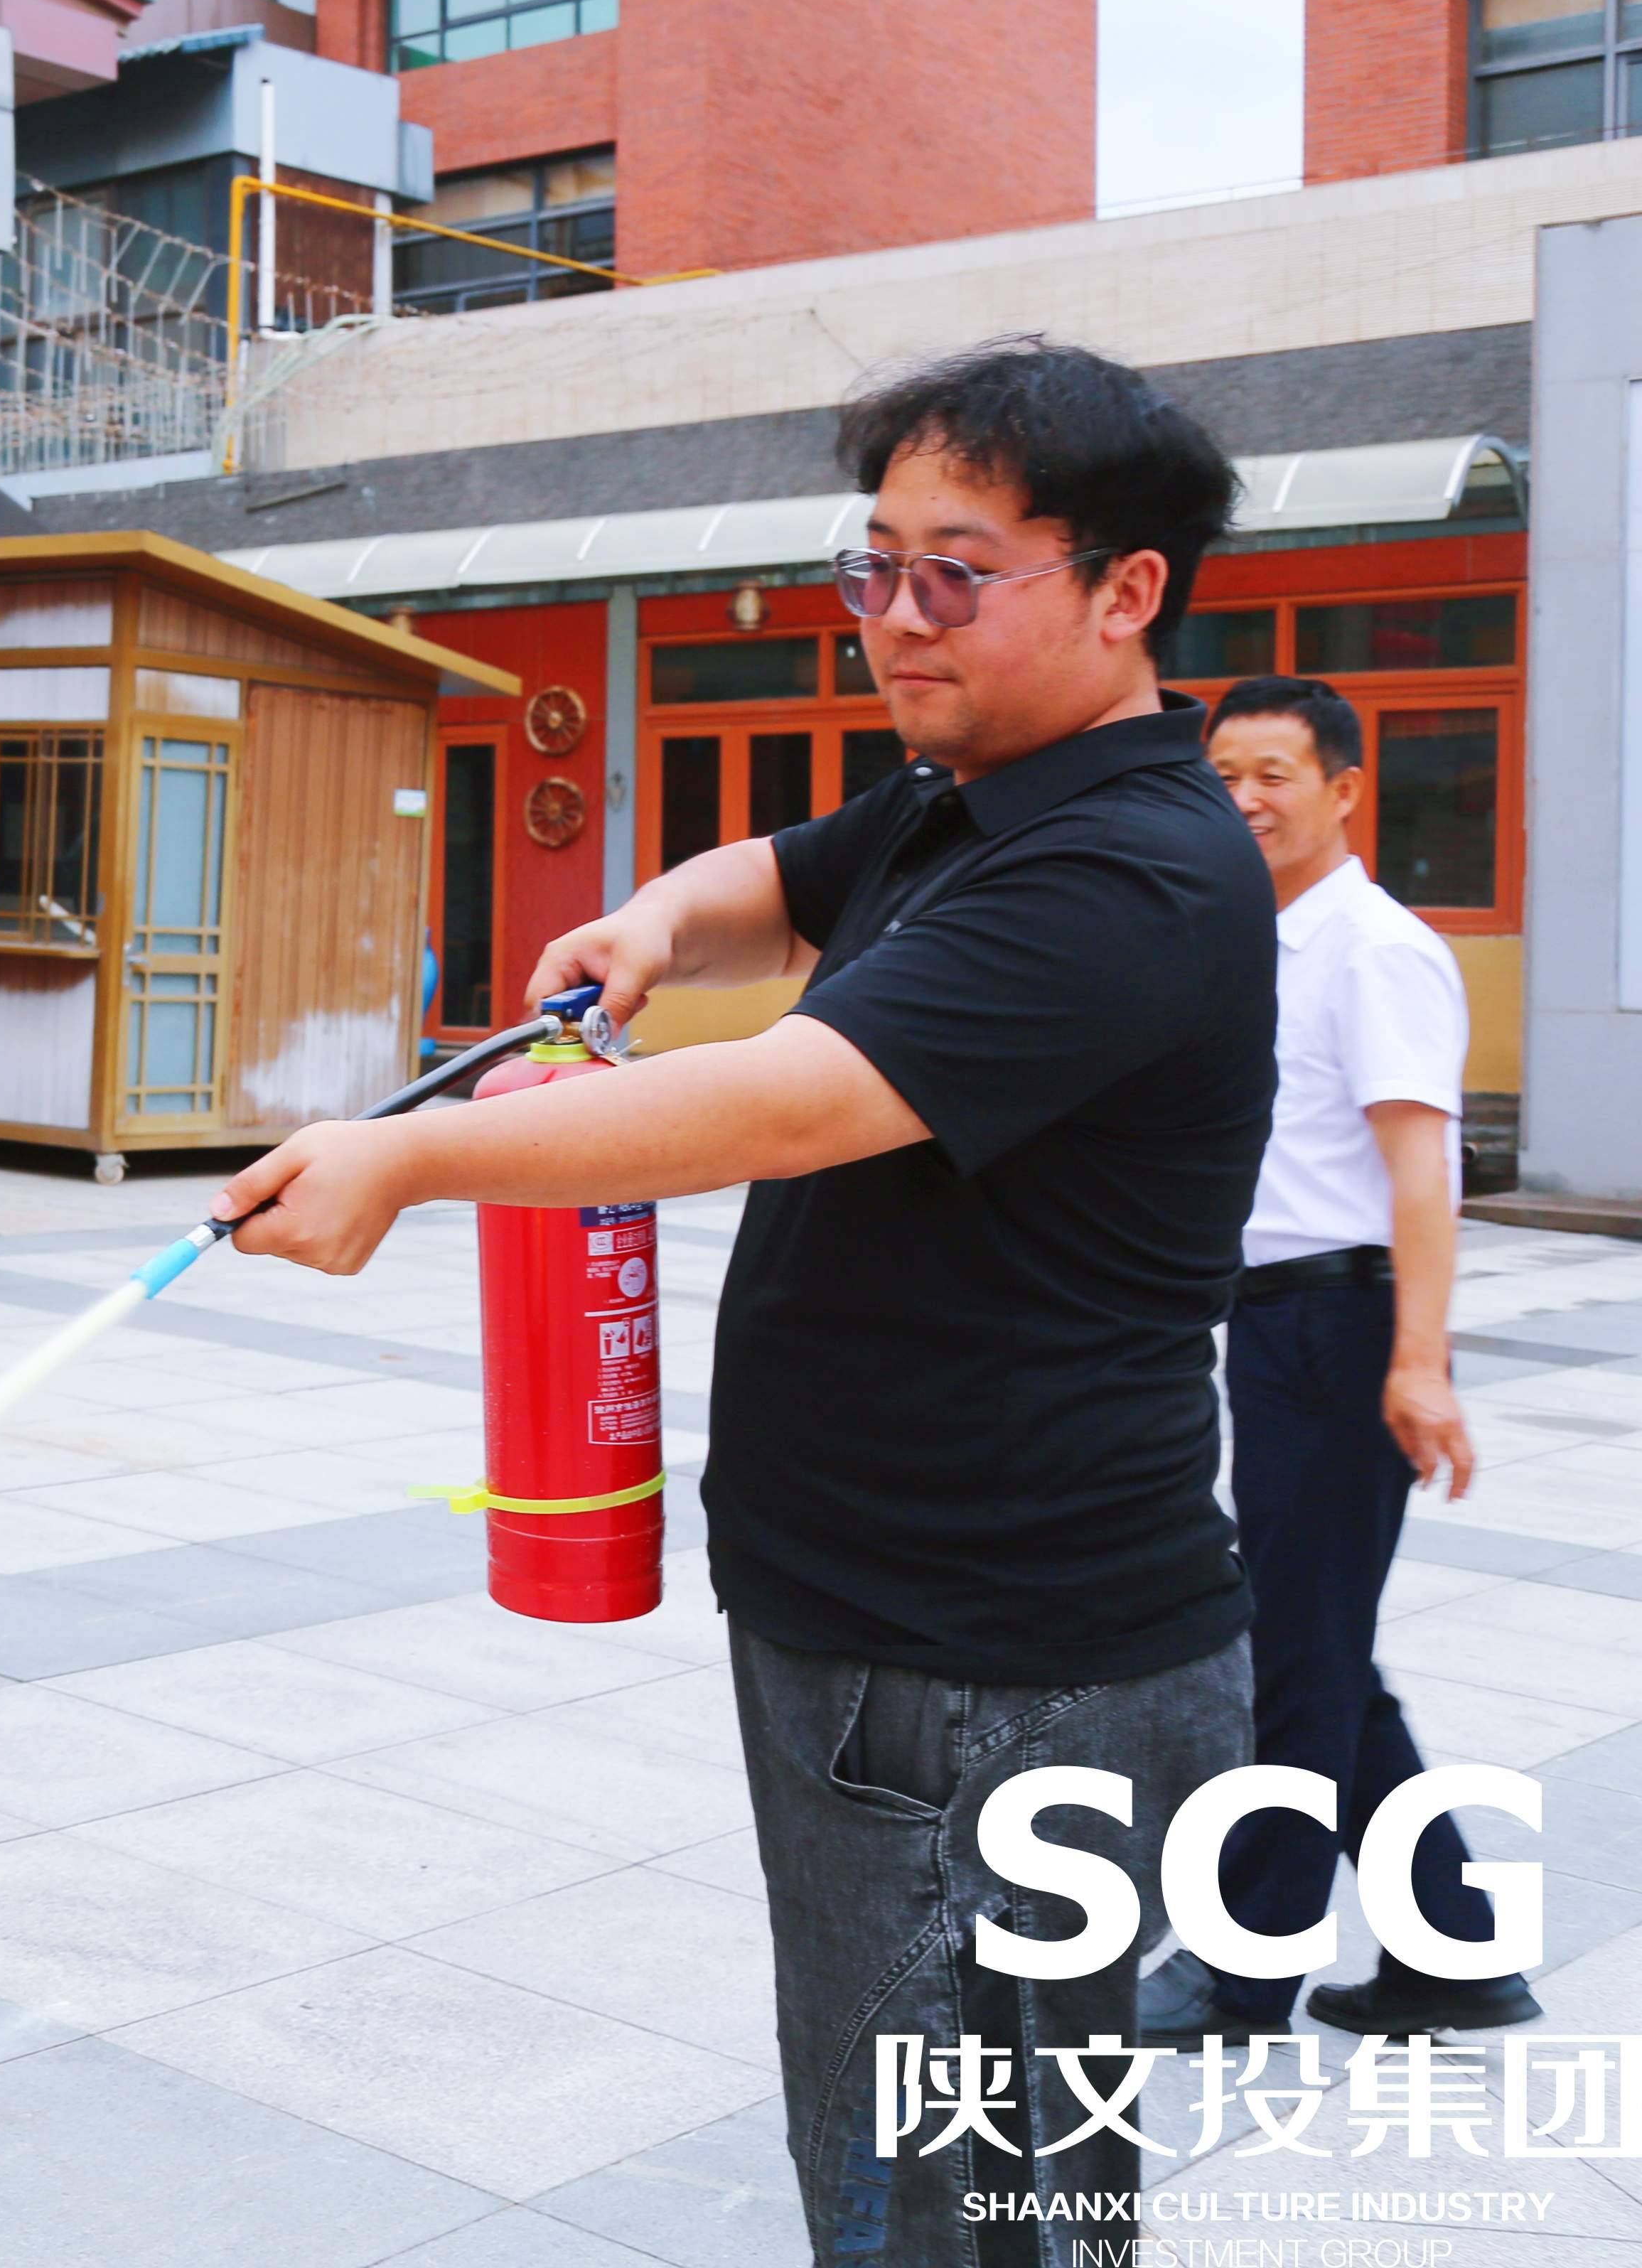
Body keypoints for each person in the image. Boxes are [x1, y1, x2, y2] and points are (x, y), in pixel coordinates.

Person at [210, 339, 1268, 2268]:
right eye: (875, 564)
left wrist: (415, 1156)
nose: (897, 615)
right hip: (914, 1624)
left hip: (987, 1656)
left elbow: (795, 1097)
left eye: (958, 571)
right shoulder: (968, 797)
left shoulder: (1124, 869)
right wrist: (650, 925)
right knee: (958, 2151)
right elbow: (775, 886)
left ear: (1128, 590)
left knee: (950, 2188)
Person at [1137, 675, 1534, 2043]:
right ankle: (1456, 1950)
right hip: (1276, 1323)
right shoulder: (1267, 940)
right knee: (1323, 1653)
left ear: (1346, 791)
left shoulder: (1373, 950)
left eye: (1275, 774)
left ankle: (1240, 1970)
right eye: (1224, 775)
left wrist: (1419, 1362)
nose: (1244, 798)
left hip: (1340, 1327)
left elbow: (1422, 1171)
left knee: (1292, 1662)